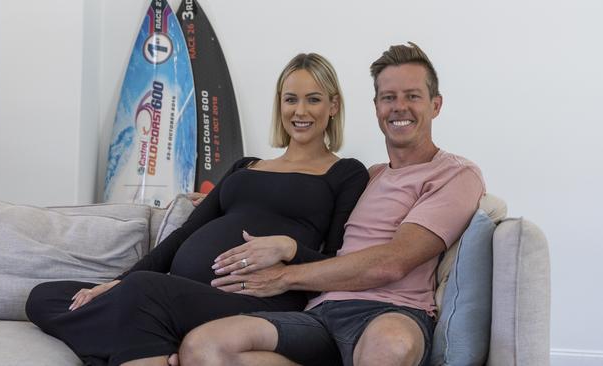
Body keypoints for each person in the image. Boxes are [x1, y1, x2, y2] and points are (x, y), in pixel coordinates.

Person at [25, 53, 369, 366]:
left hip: (256, 299)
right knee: (45, 297)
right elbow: (184, 235)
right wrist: (117, 282)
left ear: (333, 105)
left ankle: (136, 341)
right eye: (290, 99)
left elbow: (338, 262)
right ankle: (151, 340)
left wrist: (289, 250)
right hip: (184, 295)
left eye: (314, 100)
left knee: (143, 291)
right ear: (279, 104)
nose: (300, 111)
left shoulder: (345, 173)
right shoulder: (245, 166)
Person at [178, 42, 486, 366]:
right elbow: (310, 208)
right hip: (320, 315)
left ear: (435, 105)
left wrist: (285, 276)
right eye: (388, 97)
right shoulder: (370, 177)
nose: (399, 107)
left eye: (412, 96)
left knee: (389, 345)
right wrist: (229, 200)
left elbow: (392, 262)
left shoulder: (455, 174)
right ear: (376, 106)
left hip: (392, 312)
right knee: (204, 346)